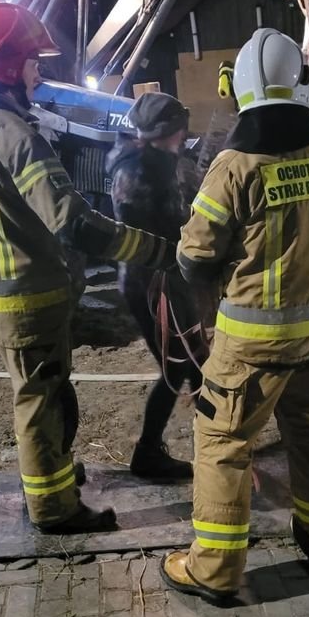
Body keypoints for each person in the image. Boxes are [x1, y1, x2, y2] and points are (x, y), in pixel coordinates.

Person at [0, 2, 178, 534]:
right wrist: (161, 252)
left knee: (38, 391)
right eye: (32, 62)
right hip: (31, 299)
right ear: (6, 65)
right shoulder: (13, 134)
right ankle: (53, 507)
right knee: (43, 400)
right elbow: (75, 223)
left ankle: (52, 473)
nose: (39, 72)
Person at [159, 28, 309, 603]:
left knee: (222, 441)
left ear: (239, 89)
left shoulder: (232, 168)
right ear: (300, 85)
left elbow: (195, 256)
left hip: (250, 344)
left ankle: (215, 570)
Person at [106, 92, 210, 482]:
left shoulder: (157, 162)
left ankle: (216, 443)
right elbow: (150, 221)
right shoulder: (137, 169)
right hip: (151, 285)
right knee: (181, 366)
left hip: (166, 281)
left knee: (194, 362)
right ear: (171, 130)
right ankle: (149, 452)